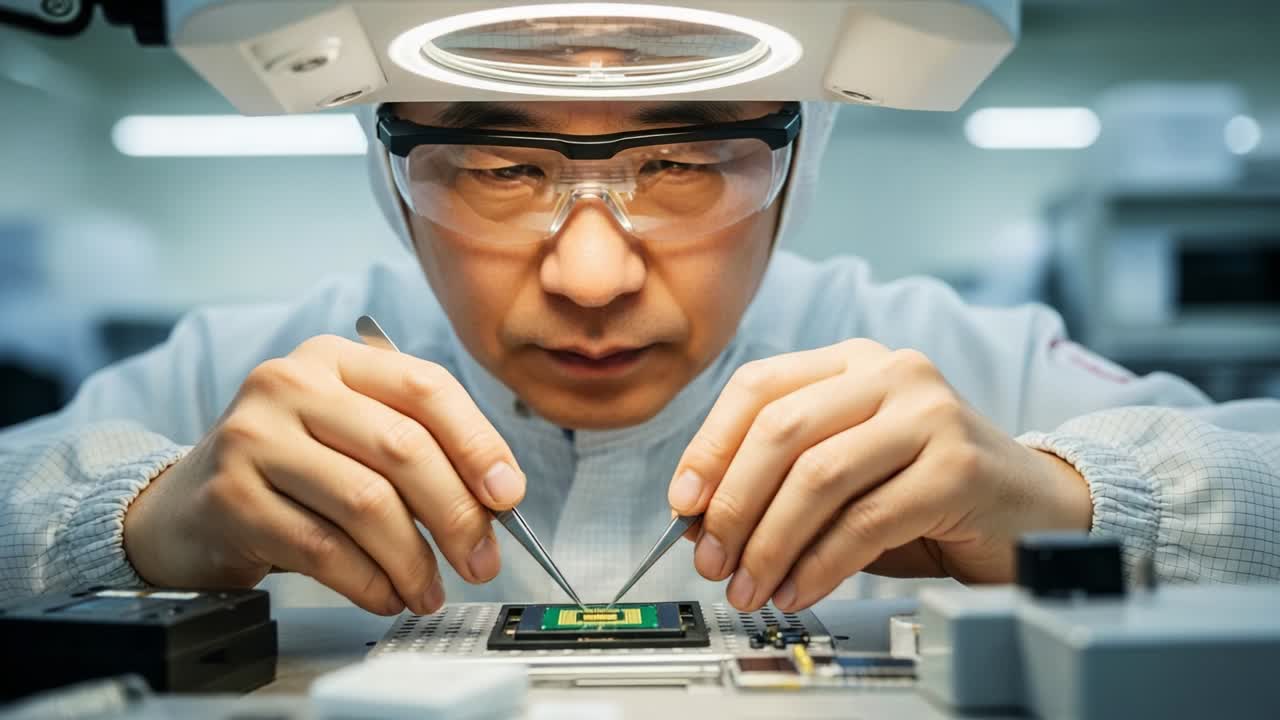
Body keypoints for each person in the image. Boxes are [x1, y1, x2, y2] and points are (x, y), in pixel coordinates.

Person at [2, 98, 1277, 618]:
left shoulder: (959, 363)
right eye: (500, 169)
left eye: (681, 163)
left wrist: (1071, 504)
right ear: (392, 178)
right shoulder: (241, 373)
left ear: (795, 165)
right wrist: (126, 527)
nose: (594, 276)